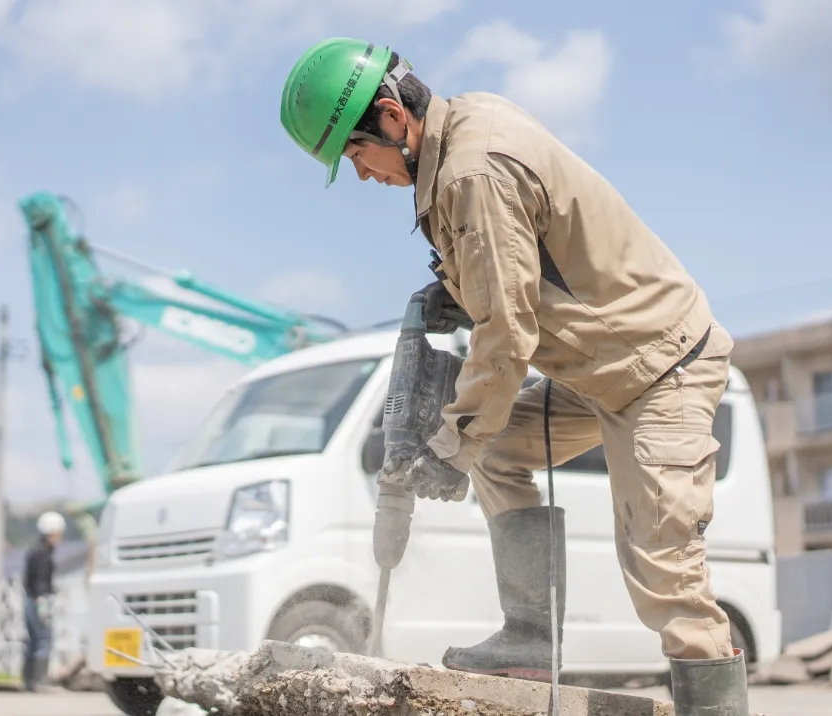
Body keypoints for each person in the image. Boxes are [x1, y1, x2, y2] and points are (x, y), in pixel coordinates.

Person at [279, 37, 748, 712]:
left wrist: (451, 445)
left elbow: (507, 334)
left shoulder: (473, 171)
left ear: (389, 116)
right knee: (498, 445)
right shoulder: (457, 138)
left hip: (660, 367)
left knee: (663, 567)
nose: (360, 174)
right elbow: (511, 277)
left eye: (355, 154)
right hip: (599, 369)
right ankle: (531, 639)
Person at [22, 510, 65, 692]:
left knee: (33, 641)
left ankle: (29, 681)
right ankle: (40, 681)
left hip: (30, 599)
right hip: (39, 599)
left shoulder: (34, 550)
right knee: (43, 640)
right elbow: (39, 579)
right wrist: (42, 600)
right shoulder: (43, 553)